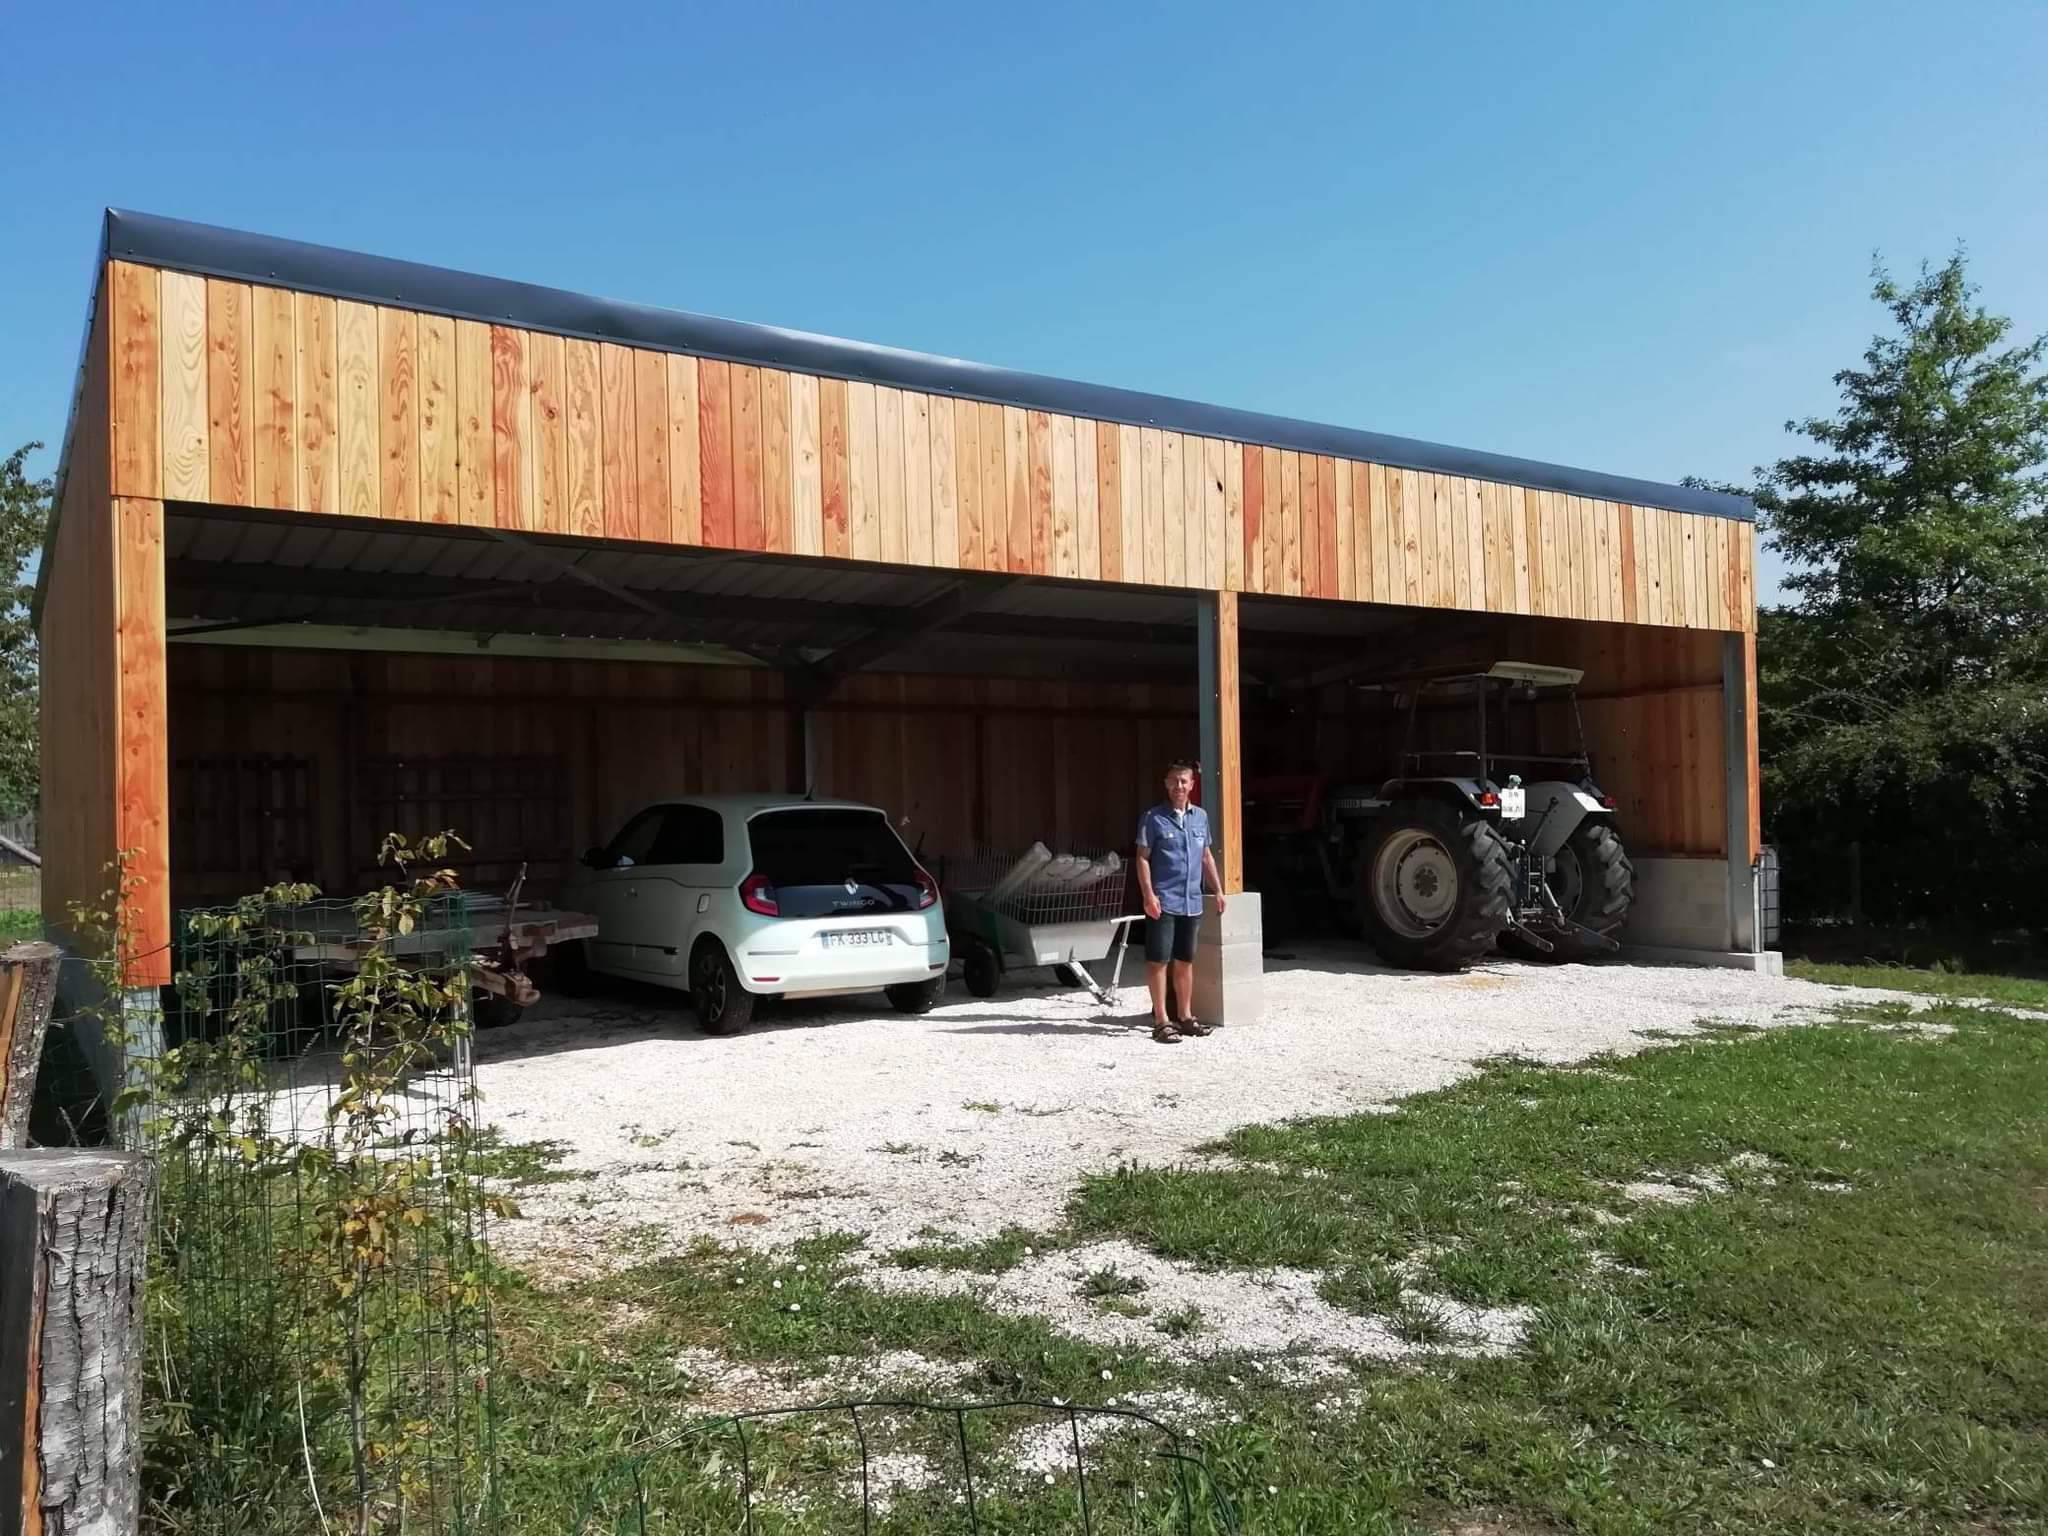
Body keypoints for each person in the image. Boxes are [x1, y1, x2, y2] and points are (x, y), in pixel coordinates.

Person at [1133, 759, 1227, 1044]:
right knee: (1158, 961)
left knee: (1185, 961)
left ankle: (1185, 1016)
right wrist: (1148, 895)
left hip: (1192, 902)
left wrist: (1219, 890)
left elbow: (1206, 856)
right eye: (1173, 781)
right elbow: (1142, 858)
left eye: (1183, 781)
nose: (1178, 786)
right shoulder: (1153, 818)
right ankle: (1161, 1019)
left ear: (1192, 785)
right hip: (1164, 901)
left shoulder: (1200, 817)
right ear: (1166, 784)